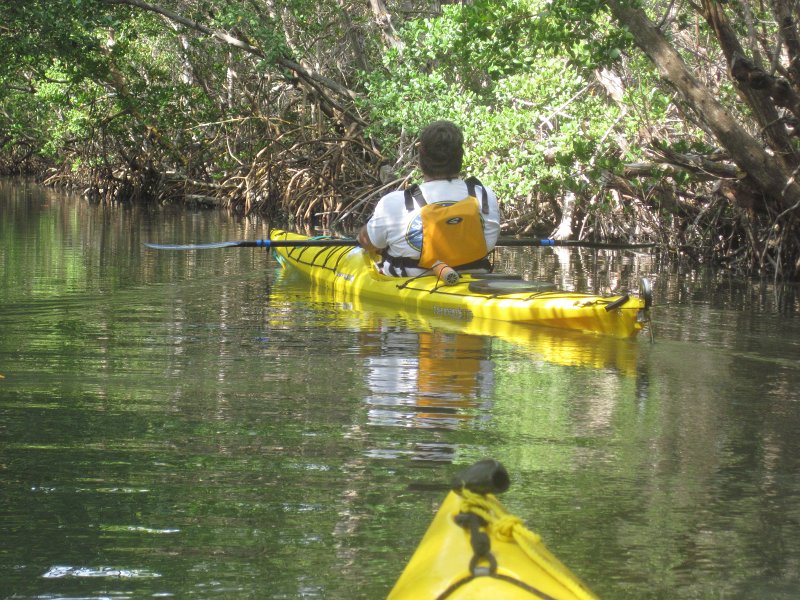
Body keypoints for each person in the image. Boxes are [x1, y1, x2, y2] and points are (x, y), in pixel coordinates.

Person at [357, 120, 501, 277]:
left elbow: (367, 242)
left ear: (421, 157)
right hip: (474, 282)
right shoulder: (484, 195)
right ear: (460, 156)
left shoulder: (393, 203)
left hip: (410, 285)